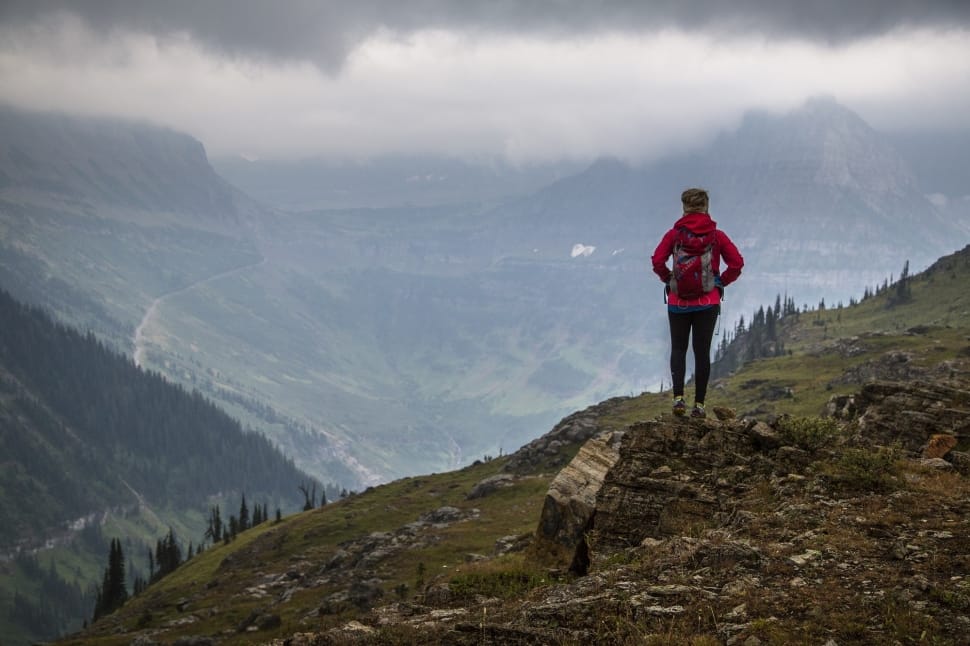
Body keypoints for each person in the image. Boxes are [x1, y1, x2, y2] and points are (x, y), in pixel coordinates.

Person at [651, 188, 743, 418]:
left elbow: (657, 260)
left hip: (678, 303)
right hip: (707, 302)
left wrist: (669, 279)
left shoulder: (674, 235)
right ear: (706, 206)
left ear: (684, 207)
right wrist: (721, 282)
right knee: (701, 352)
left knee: (679, 349)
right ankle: (699, 406)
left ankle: (678, 399)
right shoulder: (716, 236)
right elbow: (737, 263)